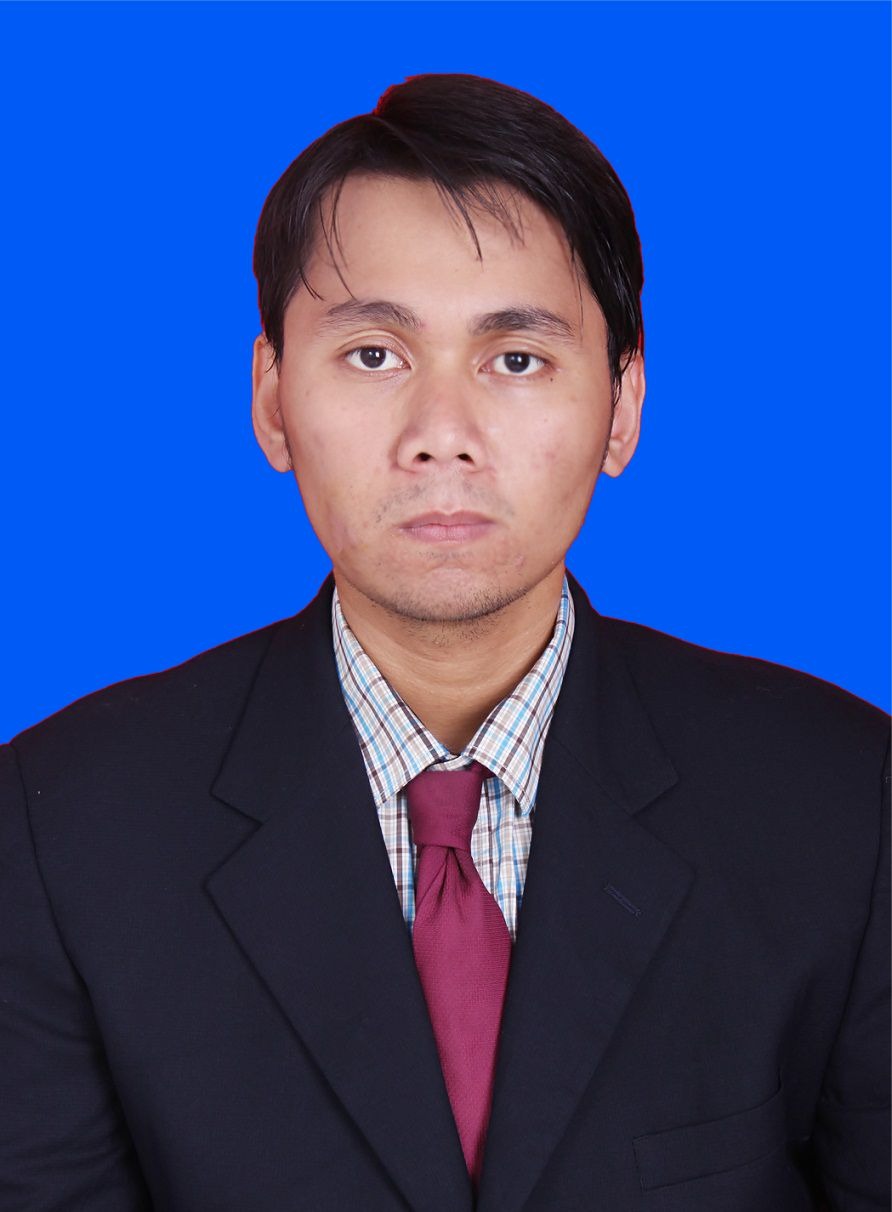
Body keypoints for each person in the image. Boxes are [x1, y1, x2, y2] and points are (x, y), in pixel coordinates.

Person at [1, 73, 887, 1212]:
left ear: (622, 405)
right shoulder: (62, 827)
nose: (441, 437)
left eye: (516, 359)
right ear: (272, 399)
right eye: (374, 355)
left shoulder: (844, 802)